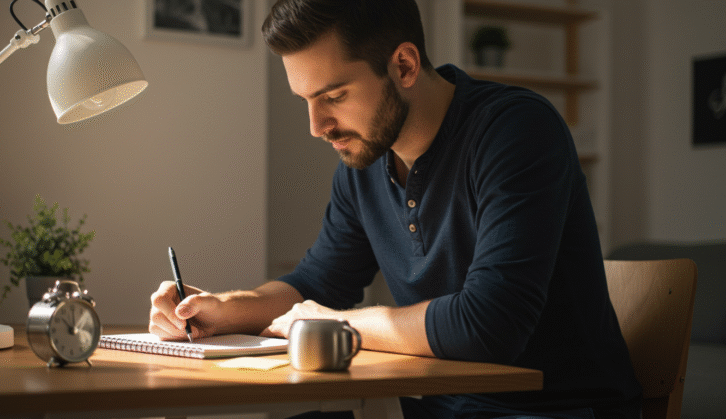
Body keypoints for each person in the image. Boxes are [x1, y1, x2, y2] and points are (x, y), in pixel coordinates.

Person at [149, 1, 642, 418]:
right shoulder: (363, 162)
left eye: (334, 96)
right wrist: (225, 311)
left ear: (404, 66)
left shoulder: (515, 133)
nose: (317, 126)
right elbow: (317, 283)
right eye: (305, 99)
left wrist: (337, 325)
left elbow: (490, 325)